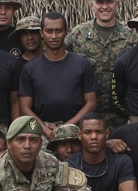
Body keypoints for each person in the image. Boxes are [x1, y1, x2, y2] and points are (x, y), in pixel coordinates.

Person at [66, 0, 136, 131]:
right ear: (92, 5)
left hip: (123, 117)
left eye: (109, 1)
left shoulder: (131, 35)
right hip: (86, 117)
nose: (105, 6)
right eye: (100, 2)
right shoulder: (77, 34)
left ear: (117, 3)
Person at [18, 11, 100, 139]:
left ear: (66, 32)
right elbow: (24, 108)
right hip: (43, 131)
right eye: (49, 31)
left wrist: (66, 128)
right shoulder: (30, 68)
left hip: (75, 129)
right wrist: (45, 130)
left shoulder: (82, 64)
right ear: (41, 33)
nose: (54, 36)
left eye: (58, 31)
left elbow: (91, 103)